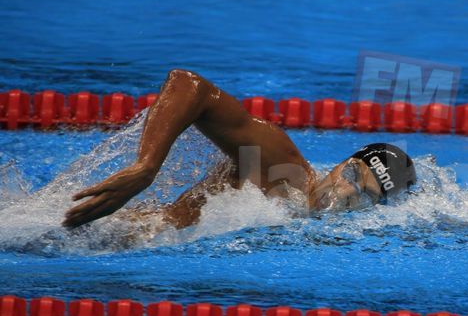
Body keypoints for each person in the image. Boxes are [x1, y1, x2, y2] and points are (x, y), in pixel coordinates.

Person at [62, 70, 416, 229]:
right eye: (352, 174)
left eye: (366, 195)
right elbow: (189, 85)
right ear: (342, 163)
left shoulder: (313, 225)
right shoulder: (282, 166)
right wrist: (146, 167)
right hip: (108, 229)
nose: (347, 192)